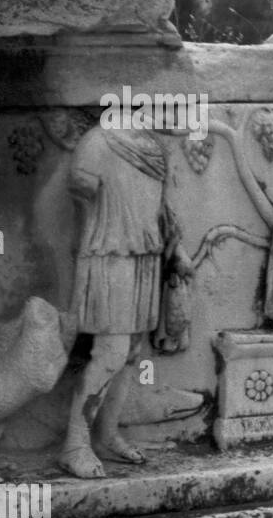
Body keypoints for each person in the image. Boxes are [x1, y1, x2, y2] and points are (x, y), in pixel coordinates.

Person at [63, 123, 192, 478]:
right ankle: (74, 443)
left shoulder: (153, 146)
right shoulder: (97, 141)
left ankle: (105, 435)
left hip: (146, 256)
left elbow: (162, 209)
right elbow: (80, 191)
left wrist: (176, 248)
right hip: (111, 255)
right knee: (110, 354)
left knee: (132, 353)